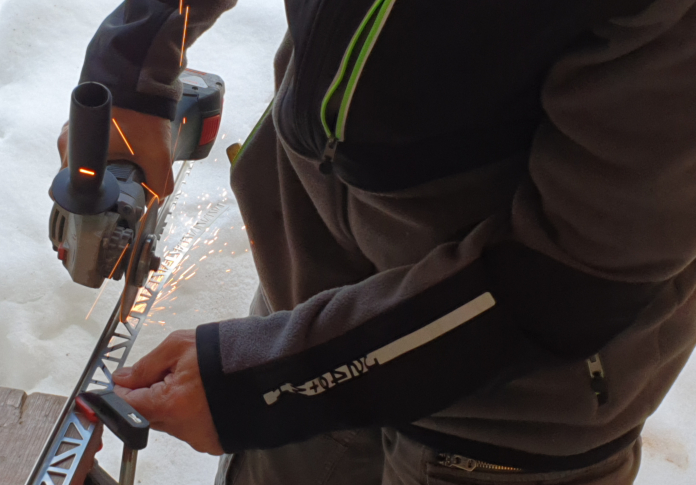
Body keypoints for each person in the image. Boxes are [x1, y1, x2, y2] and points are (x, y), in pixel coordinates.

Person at [56, 0, 696, 483]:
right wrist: (136, 58)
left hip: (506, 416)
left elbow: (572, 279)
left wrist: (277, 381)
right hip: (311, 305)